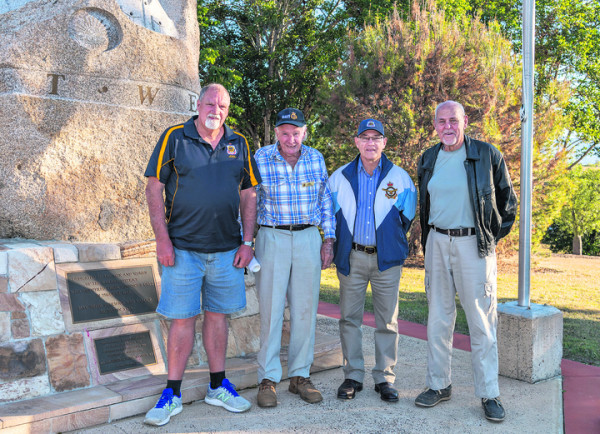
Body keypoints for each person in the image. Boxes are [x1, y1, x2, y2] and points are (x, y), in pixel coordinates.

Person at [143, 83, 261, 426]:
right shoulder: (175, 137)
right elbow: (153, 188)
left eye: (222, 106)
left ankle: (217, 386)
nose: (216, 110)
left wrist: (247, 242)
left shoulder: (239, 143)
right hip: (182, 249)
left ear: (228, 110)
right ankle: (172, 393)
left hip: (227, 251)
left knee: (218, 317)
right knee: (182, 319)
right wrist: (162, 240)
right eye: (210, 103)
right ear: (198, 104)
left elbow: (249, 194)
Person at [414, 100, 517, 422]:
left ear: (465, 121)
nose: (448, 126)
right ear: (435, 124)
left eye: (453, 120)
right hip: (437, 241)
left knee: (481, 322)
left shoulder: (486, 154)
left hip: (474, 244)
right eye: (441, 121)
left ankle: (489, 393)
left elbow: (507, 203)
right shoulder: (428, 158)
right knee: (438, 318)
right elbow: (425, 203)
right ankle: (438, 384)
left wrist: (487, 236)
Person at [328, 119, 417, 402]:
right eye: (364, 137)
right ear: (356, 141)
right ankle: (353, 375)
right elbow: (330, 217)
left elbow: (406, 218)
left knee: (387, 321)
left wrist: (387, 240)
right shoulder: (339, 177)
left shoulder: (400, 178)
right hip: (352, 256)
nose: (370, 143)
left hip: (386, 260)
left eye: (375, 137)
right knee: (349, 319)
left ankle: (384, 378)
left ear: (384, 143)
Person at [253, 108, 335, 408]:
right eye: (285, 133)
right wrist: (245, 240)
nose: (291, 139)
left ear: (304, 133)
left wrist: (329, 239)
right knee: (271, 310)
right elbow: (250, 201)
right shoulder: (261, 157)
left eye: (296, 133)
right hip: (272, 236)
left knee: (305, 311)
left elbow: (325, 200)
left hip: (307, 237)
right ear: (277, 133)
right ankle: (268, 379)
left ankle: (300, 376)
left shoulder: (315, 158)